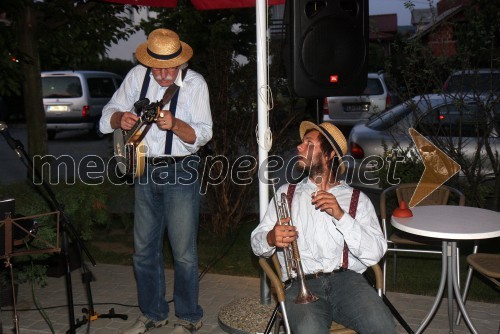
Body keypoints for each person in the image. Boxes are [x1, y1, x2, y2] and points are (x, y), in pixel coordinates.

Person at [99, 28, 213, 334]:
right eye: (157, 67)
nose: (162, 74)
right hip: (144, 171)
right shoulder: (137, 76)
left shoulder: (195, 84)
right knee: (143, 251)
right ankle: (153, 313)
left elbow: (203, 134)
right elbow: (106, 114)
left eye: (169, 68)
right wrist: (118, 118)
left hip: (182, 170)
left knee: (184, 253)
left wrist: (175, 124)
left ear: (180, 62)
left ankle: (189, 316)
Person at [251, 121, 396, 334]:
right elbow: (256, 242)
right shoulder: (286, 193)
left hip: (348, 283)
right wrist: (271, 238)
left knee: (382, 325)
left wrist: (341, 216)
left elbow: (375, 254)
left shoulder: (358, 199)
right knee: (309, 329)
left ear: (328, 155)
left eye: (308, 143)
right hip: (301, 283)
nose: (299, 148)